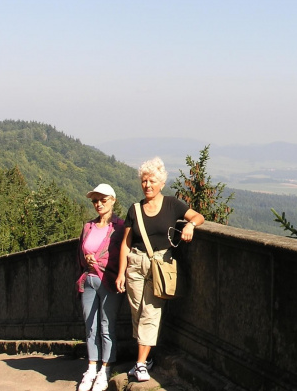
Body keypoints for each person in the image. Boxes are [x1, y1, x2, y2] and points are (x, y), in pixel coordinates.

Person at [116, 157, 205, 382]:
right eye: (144, 181)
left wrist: (190, 226)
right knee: (137, 312)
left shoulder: (173, 205)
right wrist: (120, 273)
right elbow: (126, 244)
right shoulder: (134, 209)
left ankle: (140, 364)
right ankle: (147, 356)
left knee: (151, 313)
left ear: (162, 183)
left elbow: (197, 216)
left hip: (160, 266)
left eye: (152, 181)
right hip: (136, 265)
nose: (147, 185)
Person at [76, 184, 125, 391]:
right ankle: (92, 367)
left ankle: (105, 369)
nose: (98, 204)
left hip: (109, 281)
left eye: (103, 200)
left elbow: (123, 254)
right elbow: (80, 252)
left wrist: (99, 263)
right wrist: (87, 260)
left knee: (106, 326)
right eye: (95, 200)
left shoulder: (120, 227)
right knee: (90, 327)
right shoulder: (88, 226)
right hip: (88, 280)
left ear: (112, 200)